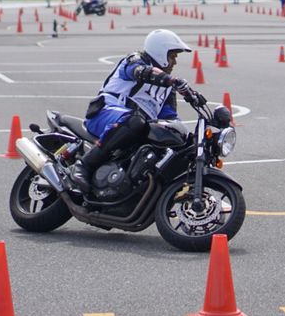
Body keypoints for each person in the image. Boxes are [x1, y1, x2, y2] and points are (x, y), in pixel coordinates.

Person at [68, 29, 192, 200]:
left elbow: (170, 119)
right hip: (105, 113)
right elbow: (138, 71)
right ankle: (83, 165)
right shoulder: (135, 60)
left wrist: (187, 137)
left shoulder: (167, 89)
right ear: (161, 53)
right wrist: (169, 80)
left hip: (133, 127)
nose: (175, 62)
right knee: (135, 121)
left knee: (173, 139)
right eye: (172, 56)